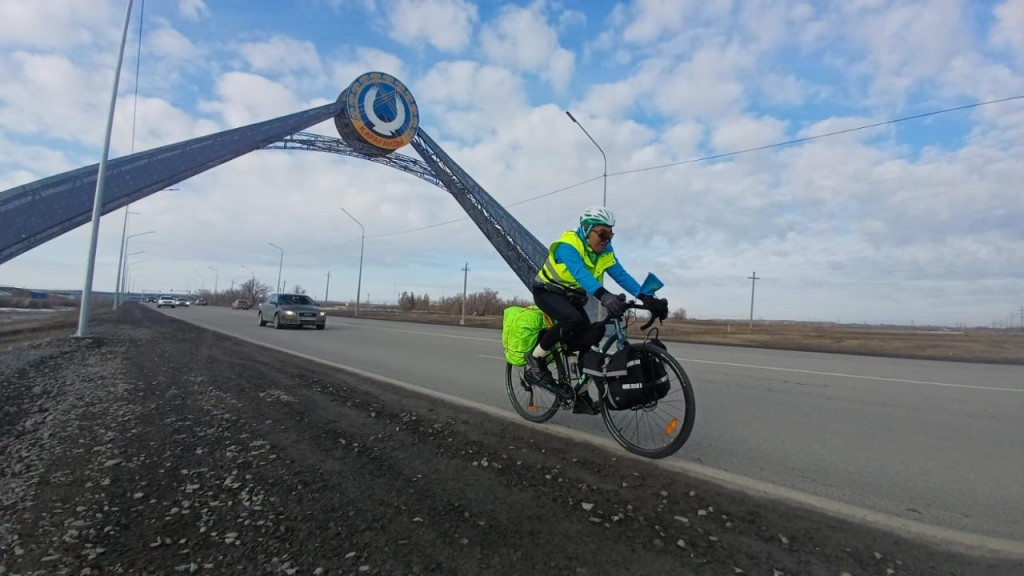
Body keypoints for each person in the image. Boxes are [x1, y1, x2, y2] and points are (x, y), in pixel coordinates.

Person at [526, 206, 669, 414]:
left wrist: (647, 297)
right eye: (602, 234)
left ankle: (581, 397)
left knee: (592, 335)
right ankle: (537, 358)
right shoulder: (568, 245)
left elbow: (620, 274)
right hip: (547, 292)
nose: (606, 240)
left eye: (610, 235)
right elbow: (580, 273)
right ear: (586, 229)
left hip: (572, 297)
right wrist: (604, 296)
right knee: (573, 321)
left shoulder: (605, 251)